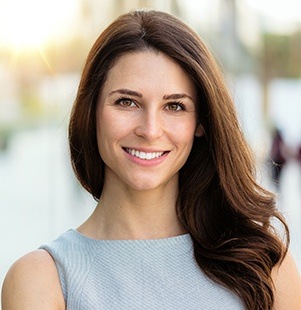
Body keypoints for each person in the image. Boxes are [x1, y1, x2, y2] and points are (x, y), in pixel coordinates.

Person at [2, 9, 301, 310]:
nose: (150, 130)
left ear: (201, 122)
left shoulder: (265, 268)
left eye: (174, 106)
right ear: (91, 112)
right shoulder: (41, 281)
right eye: (127, 102)